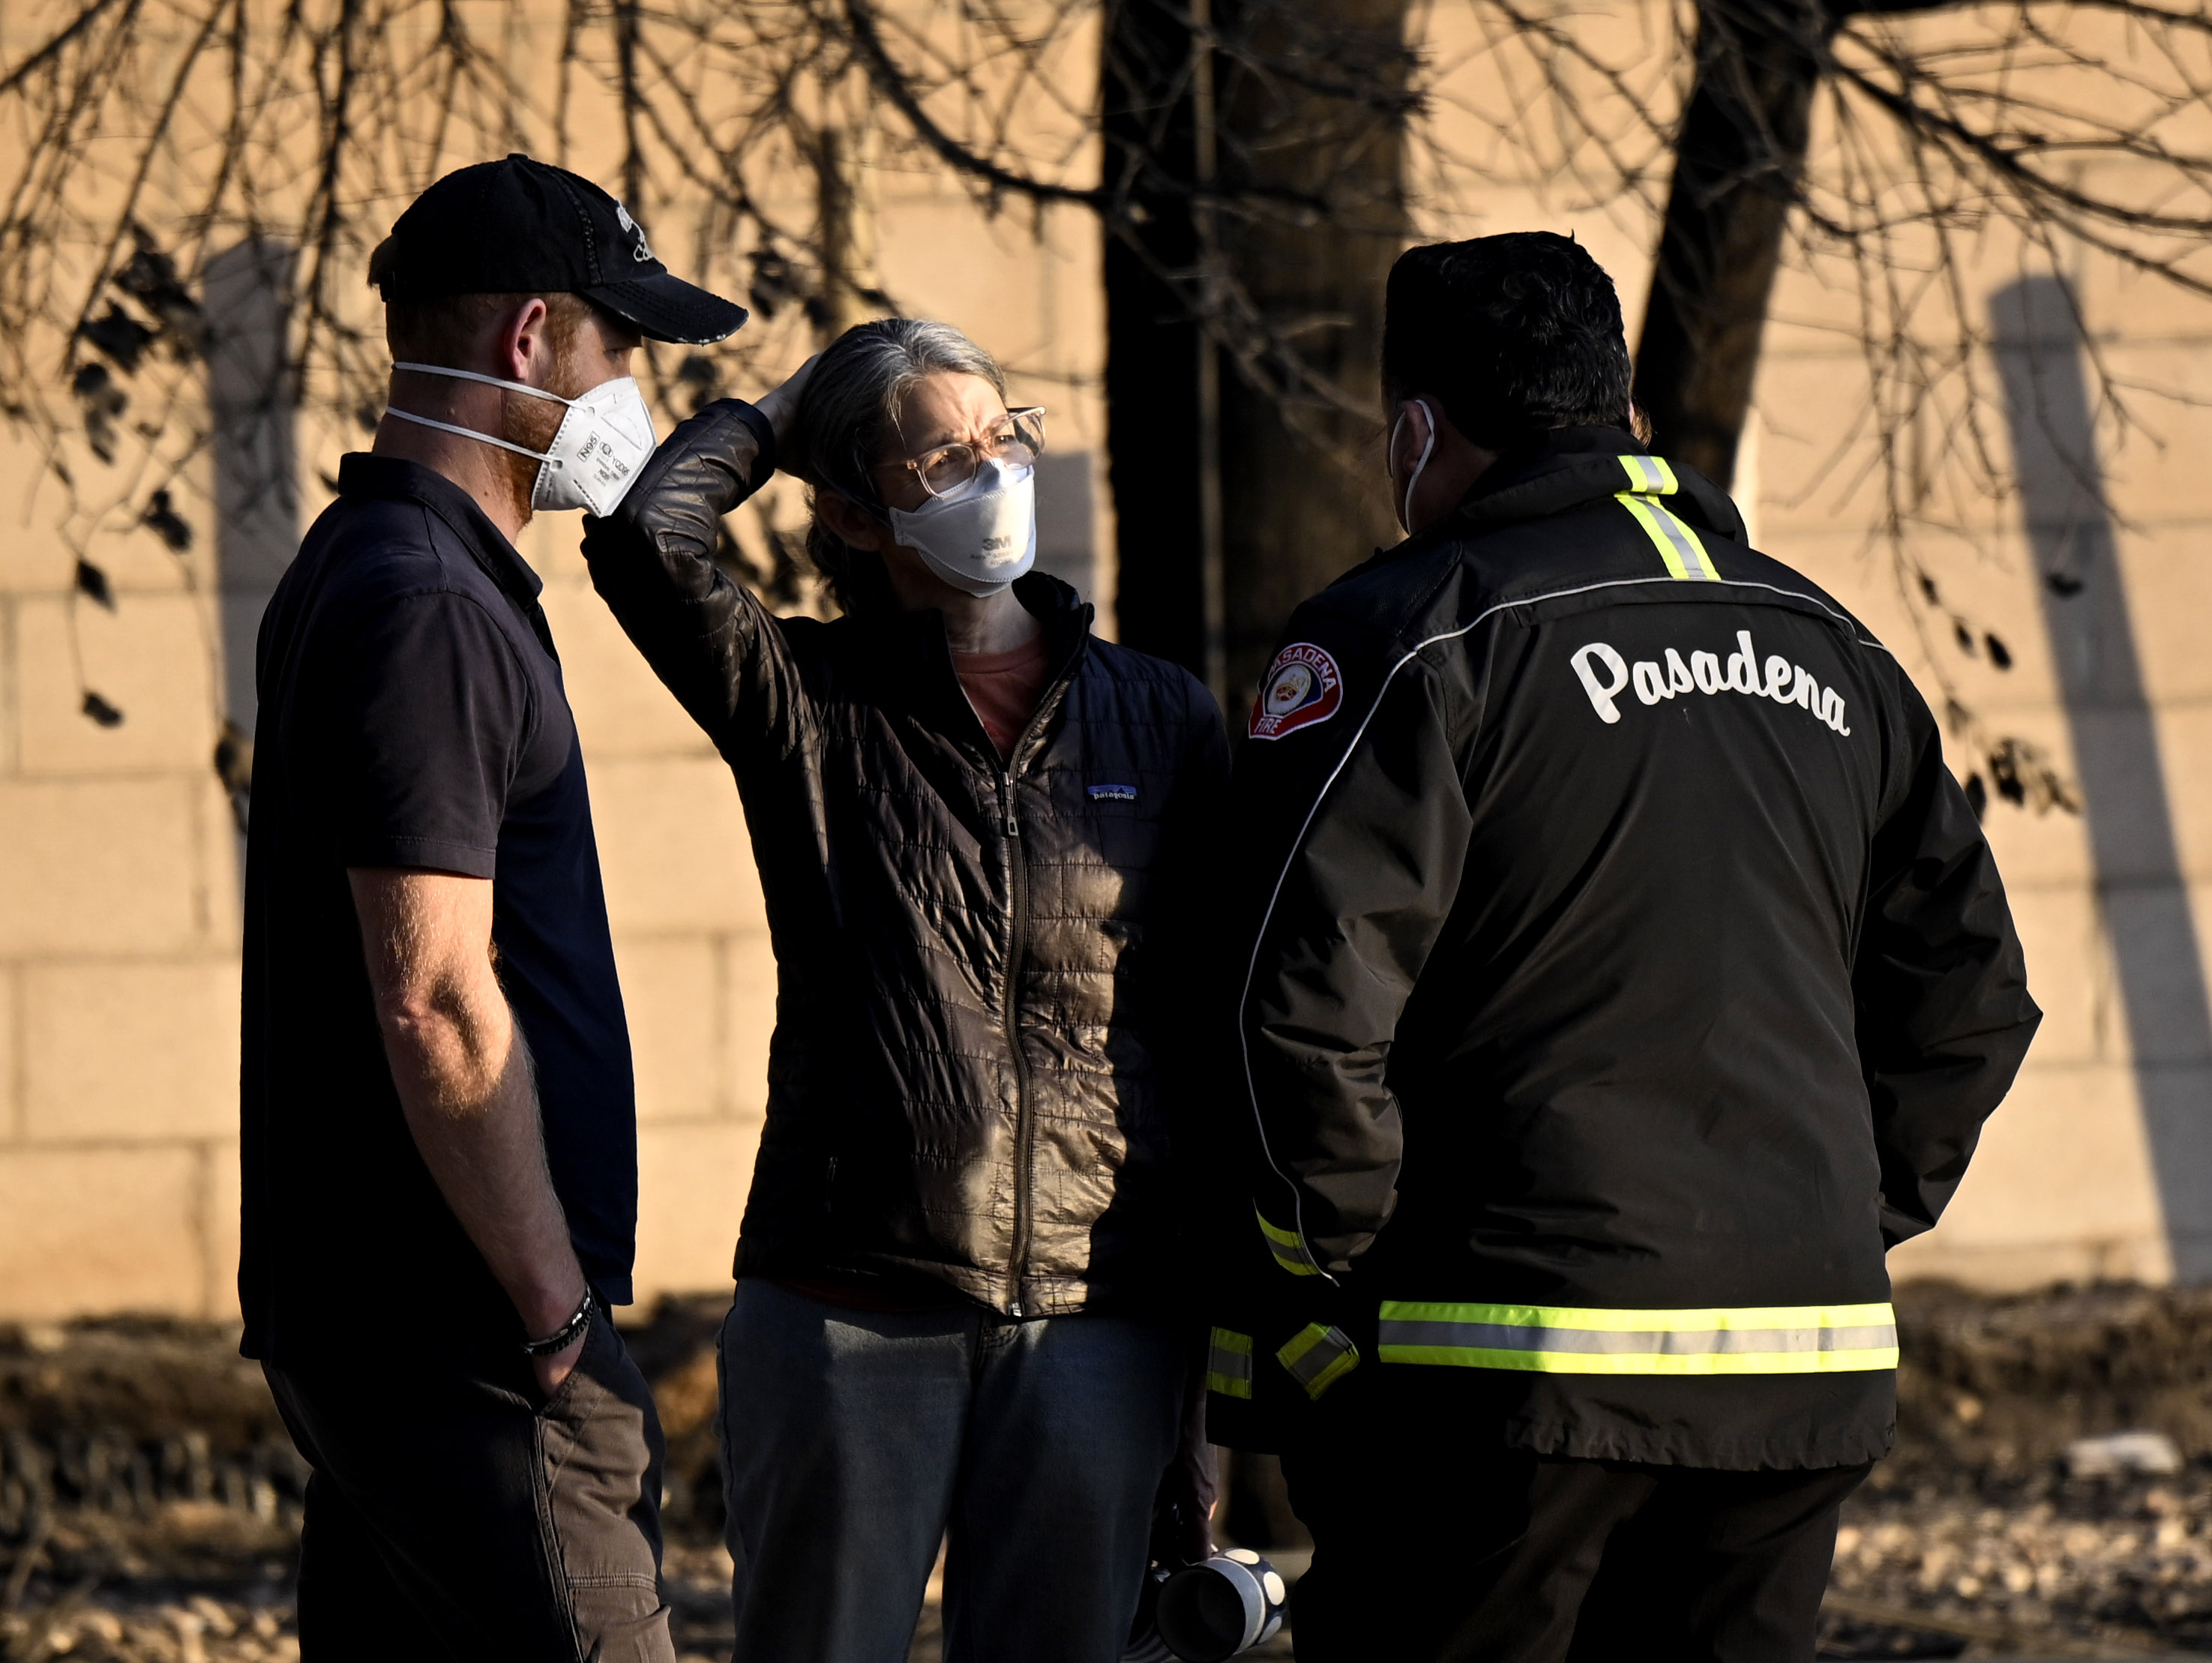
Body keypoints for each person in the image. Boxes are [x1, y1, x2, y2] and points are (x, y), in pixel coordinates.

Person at [1205, 232, 2042, 1662]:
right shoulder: (1836, 648)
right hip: (1801, 1369)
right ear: (1624, 412)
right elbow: (1969, 998)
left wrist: (1333, 1269)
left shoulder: (1406, 635)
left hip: (1506, 1372)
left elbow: (1297, 1007)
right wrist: (1839, 1211)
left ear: (1415, 431)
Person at [577, 317, 1229, 1663]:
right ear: (860, 517)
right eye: (945, 457)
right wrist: (788, 403)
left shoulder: (1162, 715)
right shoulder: (807, 700)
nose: (993, 474)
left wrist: (1206, 1360)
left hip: (1097, 1313)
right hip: (850, 1299)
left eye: (1003, 438)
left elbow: (1201, 1028)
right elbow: (649, 539)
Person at [238, 154, 747, 1662]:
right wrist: (555, 1323)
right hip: (465, 1345)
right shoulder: (429, 607)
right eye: (620, 346)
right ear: (532, 340)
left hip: (397, 1331)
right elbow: (438, 998)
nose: (632, 388)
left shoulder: (378, 565)